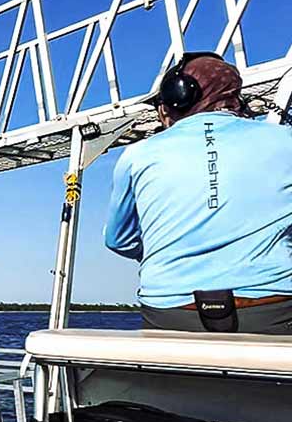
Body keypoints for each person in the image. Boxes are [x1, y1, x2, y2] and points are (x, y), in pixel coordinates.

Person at [104, 52, 292, 334]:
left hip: (169, 312)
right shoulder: (286, 140)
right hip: (273, 306)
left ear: (176, 98)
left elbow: (118, 240)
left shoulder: (137, 155)